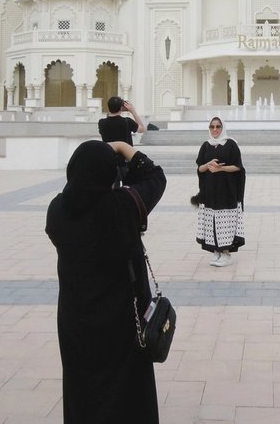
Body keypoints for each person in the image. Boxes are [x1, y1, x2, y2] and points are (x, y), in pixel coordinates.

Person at [46, 140, 168, 424]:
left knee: (83, 390)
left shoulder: (57, 212)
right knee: (127, 393)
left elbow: (78, 193)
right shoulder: (121, 208)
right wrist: (125, 147)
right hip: (122, 322)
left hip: (76, 321)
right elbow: (155, 178)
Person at [193, 116, 246, 267]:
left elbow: (238, 167)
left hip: (226, 190)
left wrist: (220, 169)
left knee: (225, 221)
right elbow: (200, 168)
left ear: (223, 128)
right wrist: (208, 164)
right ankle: (216, 250)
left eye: (218, 127)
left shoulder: (231, 144)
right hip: (210, 190)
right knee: (212, 220)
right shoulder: (206, 145)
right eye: (212, 127)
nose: (215, 130)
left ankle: (226, 253)